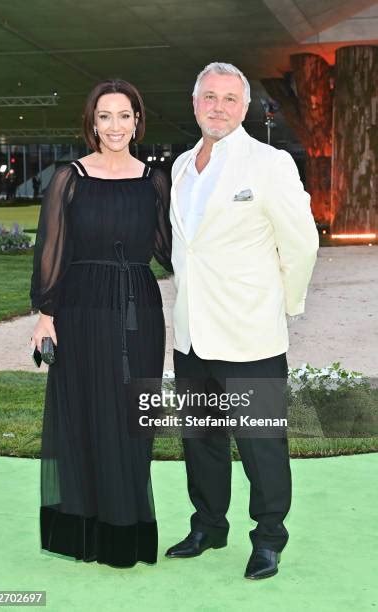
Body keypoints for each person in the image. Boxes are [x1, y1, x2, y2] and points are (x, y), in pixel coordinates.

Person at [165, 62, 319, 579]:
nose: (218, 107)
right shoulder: (182, 166)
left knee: (261, 446)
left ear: (245, 106)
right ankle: (209, 525)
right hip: (191, 334)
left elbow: (300, 242)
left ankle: (269, 537)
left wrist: (284, 304)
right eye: (209, 96)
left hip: (251, 333)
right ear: (195, 103)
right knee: (202, 441)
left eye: (230, 99)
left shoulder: (269, 163)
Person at [30, 79, 172, 568]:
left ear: (138, 120)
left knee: (135, 417)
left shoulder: (155, 179)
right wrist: (46, 314)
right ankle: (83, 530)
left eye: (124, 115)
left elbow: (171, 250)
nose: (115, 126)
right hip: (82, 308)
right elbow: (52, 248)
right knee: (86, 412)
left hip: (140, 312)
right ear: (92, 123)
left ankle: (125, 530)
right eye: (105, 116)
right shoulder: (70, 177)